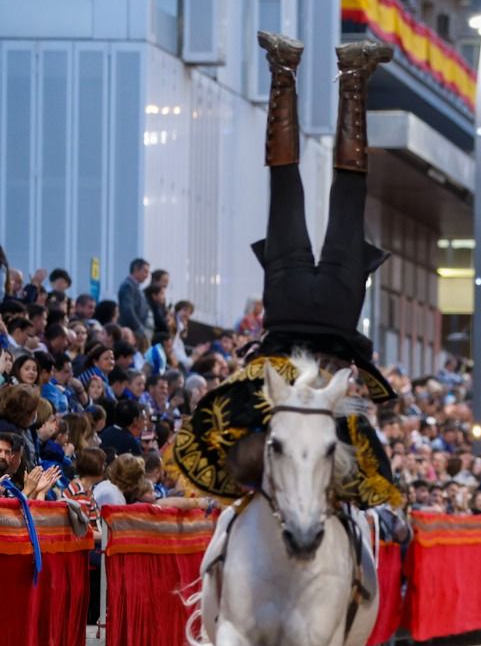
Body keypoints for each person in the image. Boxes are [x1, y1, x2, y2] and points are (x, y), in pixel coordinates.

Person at [171, 31, 401, 510]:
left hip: (319, 320)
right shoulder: (326, 404)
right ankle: (304, 71)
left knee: (337, 195)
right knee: (290, 189)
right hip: (297, 312)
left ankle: (311, 71)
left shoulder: (266, 393)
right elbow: (370, 487)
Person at [117, 258, 152, 342]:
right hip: (131, 331)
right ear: (136, 269)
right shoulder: (128, 286)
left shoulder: (135, 287)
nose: (147, 276)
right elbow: (128, 310)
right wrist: (139, 328)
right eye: (145, 271)